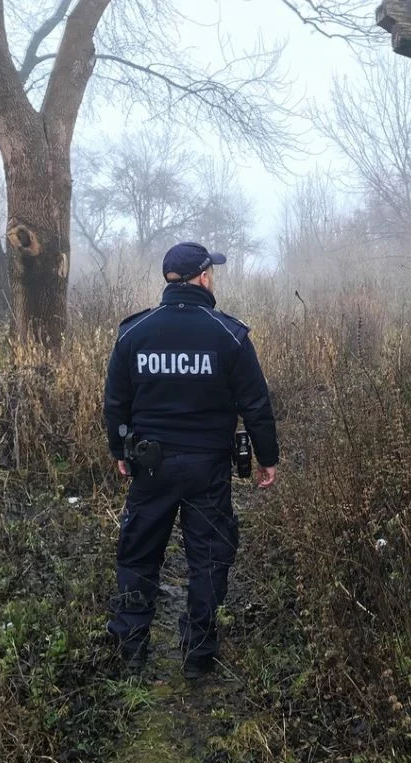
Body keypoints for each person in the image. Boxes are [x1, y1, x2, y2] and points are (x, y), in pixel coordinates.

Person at [103, 241, 279, 679]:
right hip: (207, 468)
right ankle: (198, 654)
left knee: (138, 556)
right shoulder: (229, 335)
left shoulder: (134, 333)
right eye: (211, 273)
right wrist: (267, 457)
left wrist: (118, 450)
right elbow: (256, 405)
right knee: (209, 558)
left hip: (150, 467)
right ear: (203, 277)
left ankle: (131, 647)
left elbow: (116, 402)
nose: (212, 278)